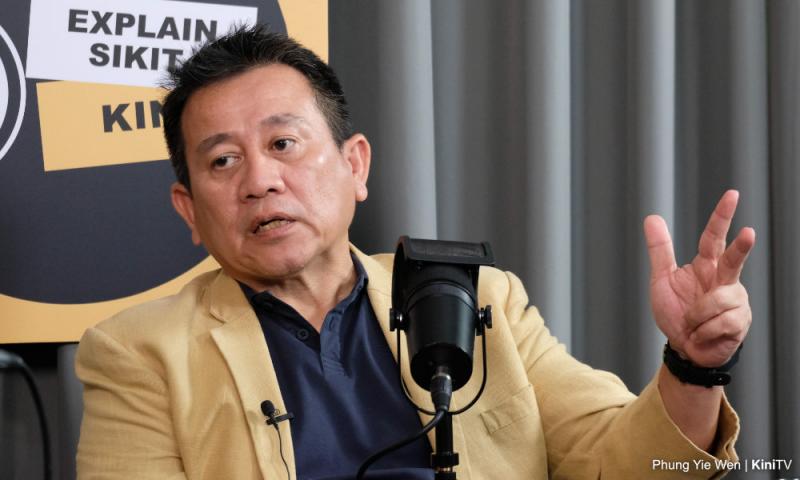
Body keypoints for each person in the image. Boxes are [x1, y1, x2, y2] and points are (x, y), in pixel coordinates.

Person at [75, 25, 755, 479]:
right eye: (223, 160)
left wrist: (692, 367)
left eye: (283, 144)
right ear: (189, 209)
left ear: (355, 165)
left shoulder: (479, 298)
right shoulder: (139, 353)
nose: (260, 181)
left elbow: (622, 463)